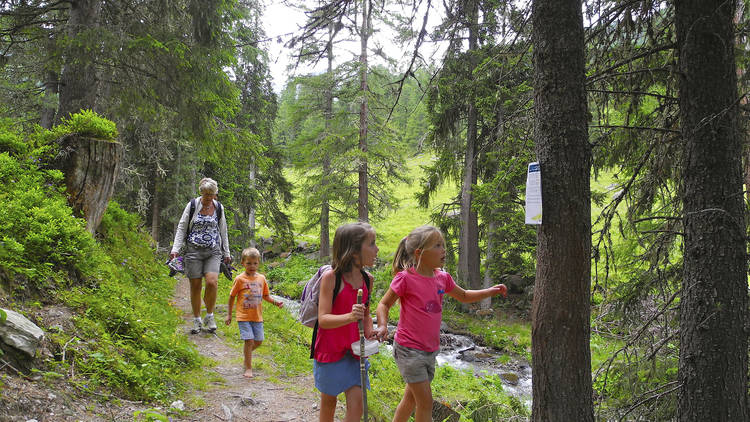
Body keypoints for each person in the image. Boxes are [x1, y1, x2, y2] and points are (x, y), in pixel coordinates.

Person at [375, 225, 508, 422]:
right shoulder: (406, 278)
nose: (443, 250)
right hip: (409, 349)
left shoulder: (442, 278)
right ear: (420, 253)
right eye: (437, 246)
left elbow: (463, 295)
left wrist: (490, 291)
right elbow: (384, 304)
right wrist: (383, 325)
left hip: (429, 350)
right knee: (426, 403)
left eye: (443, 245)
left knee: (411, 399)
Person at [314, 222, 378, 422]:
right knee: (329, 404)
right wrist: (350, 317)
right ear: (353, 251)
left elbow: (366, 315)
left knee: (357, 405)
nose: (377, 249)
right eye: (372, 244)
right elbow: (323, 319)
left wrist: (370, 331)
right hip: (331, 351)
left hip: (355, 353)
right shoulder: (331, 278)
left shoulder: (368, 280)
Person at [170, 177, 231, 334]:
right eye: (205, 195)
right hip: (193, 251)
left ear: (215, 195)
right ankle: (197, 320)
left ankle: (209, 316)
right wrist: (175, 249)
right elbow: (182, 227)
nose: (208, 198)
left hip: (213, 251)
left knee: (212, 282)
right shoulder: (192, 206)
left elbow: (223, 231)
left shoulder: (218, 208)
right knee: (195, 286)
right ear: (201, 193)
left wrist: (227, 253)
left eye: (211, 195)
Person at [225, 247, 283, 378]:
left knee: (259, 341)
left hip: (257, 316)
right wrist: (229, 314)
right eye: (249, 263)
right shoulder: (240, 279)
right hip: (243, 316)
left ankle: (247, 355)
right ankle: (248, 367)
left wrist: (276, 302)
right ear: (242, 263)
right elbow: (231, 296)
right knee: (249, 340)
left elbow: (266, 296)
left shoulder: (262, 278)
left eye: (255, 263)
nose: (252, 266)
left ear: (259, 263)